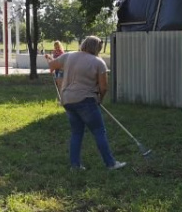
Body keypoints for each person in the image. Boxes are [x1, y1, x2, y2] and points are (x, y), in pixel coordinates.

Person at [46, 35, 126, 171]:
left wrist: (50, 63)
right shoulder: (98, 62)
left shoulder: (68, 56)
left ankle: (75, 166)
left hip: (67, 100)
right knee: (99, 131)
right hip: (86, 100)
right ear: (97, 48)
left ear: (84, 44)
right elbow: (103, 87)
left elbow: (52, 66)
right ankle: (111, 164)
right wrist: (100, 99)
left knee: (76, 133)